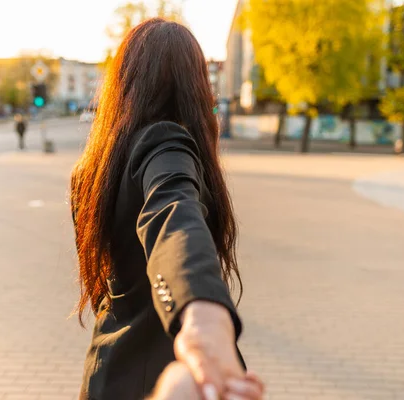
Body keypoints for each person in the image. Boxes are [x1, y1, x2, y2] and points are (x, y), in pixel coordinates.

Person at [71, 18, 263, 400]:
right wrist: (201, 316)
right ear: (194, 83)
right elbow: (174, 215)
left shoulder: (92, 168)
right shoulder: (167, 143)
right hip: (165, 373)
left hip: (106, 370)